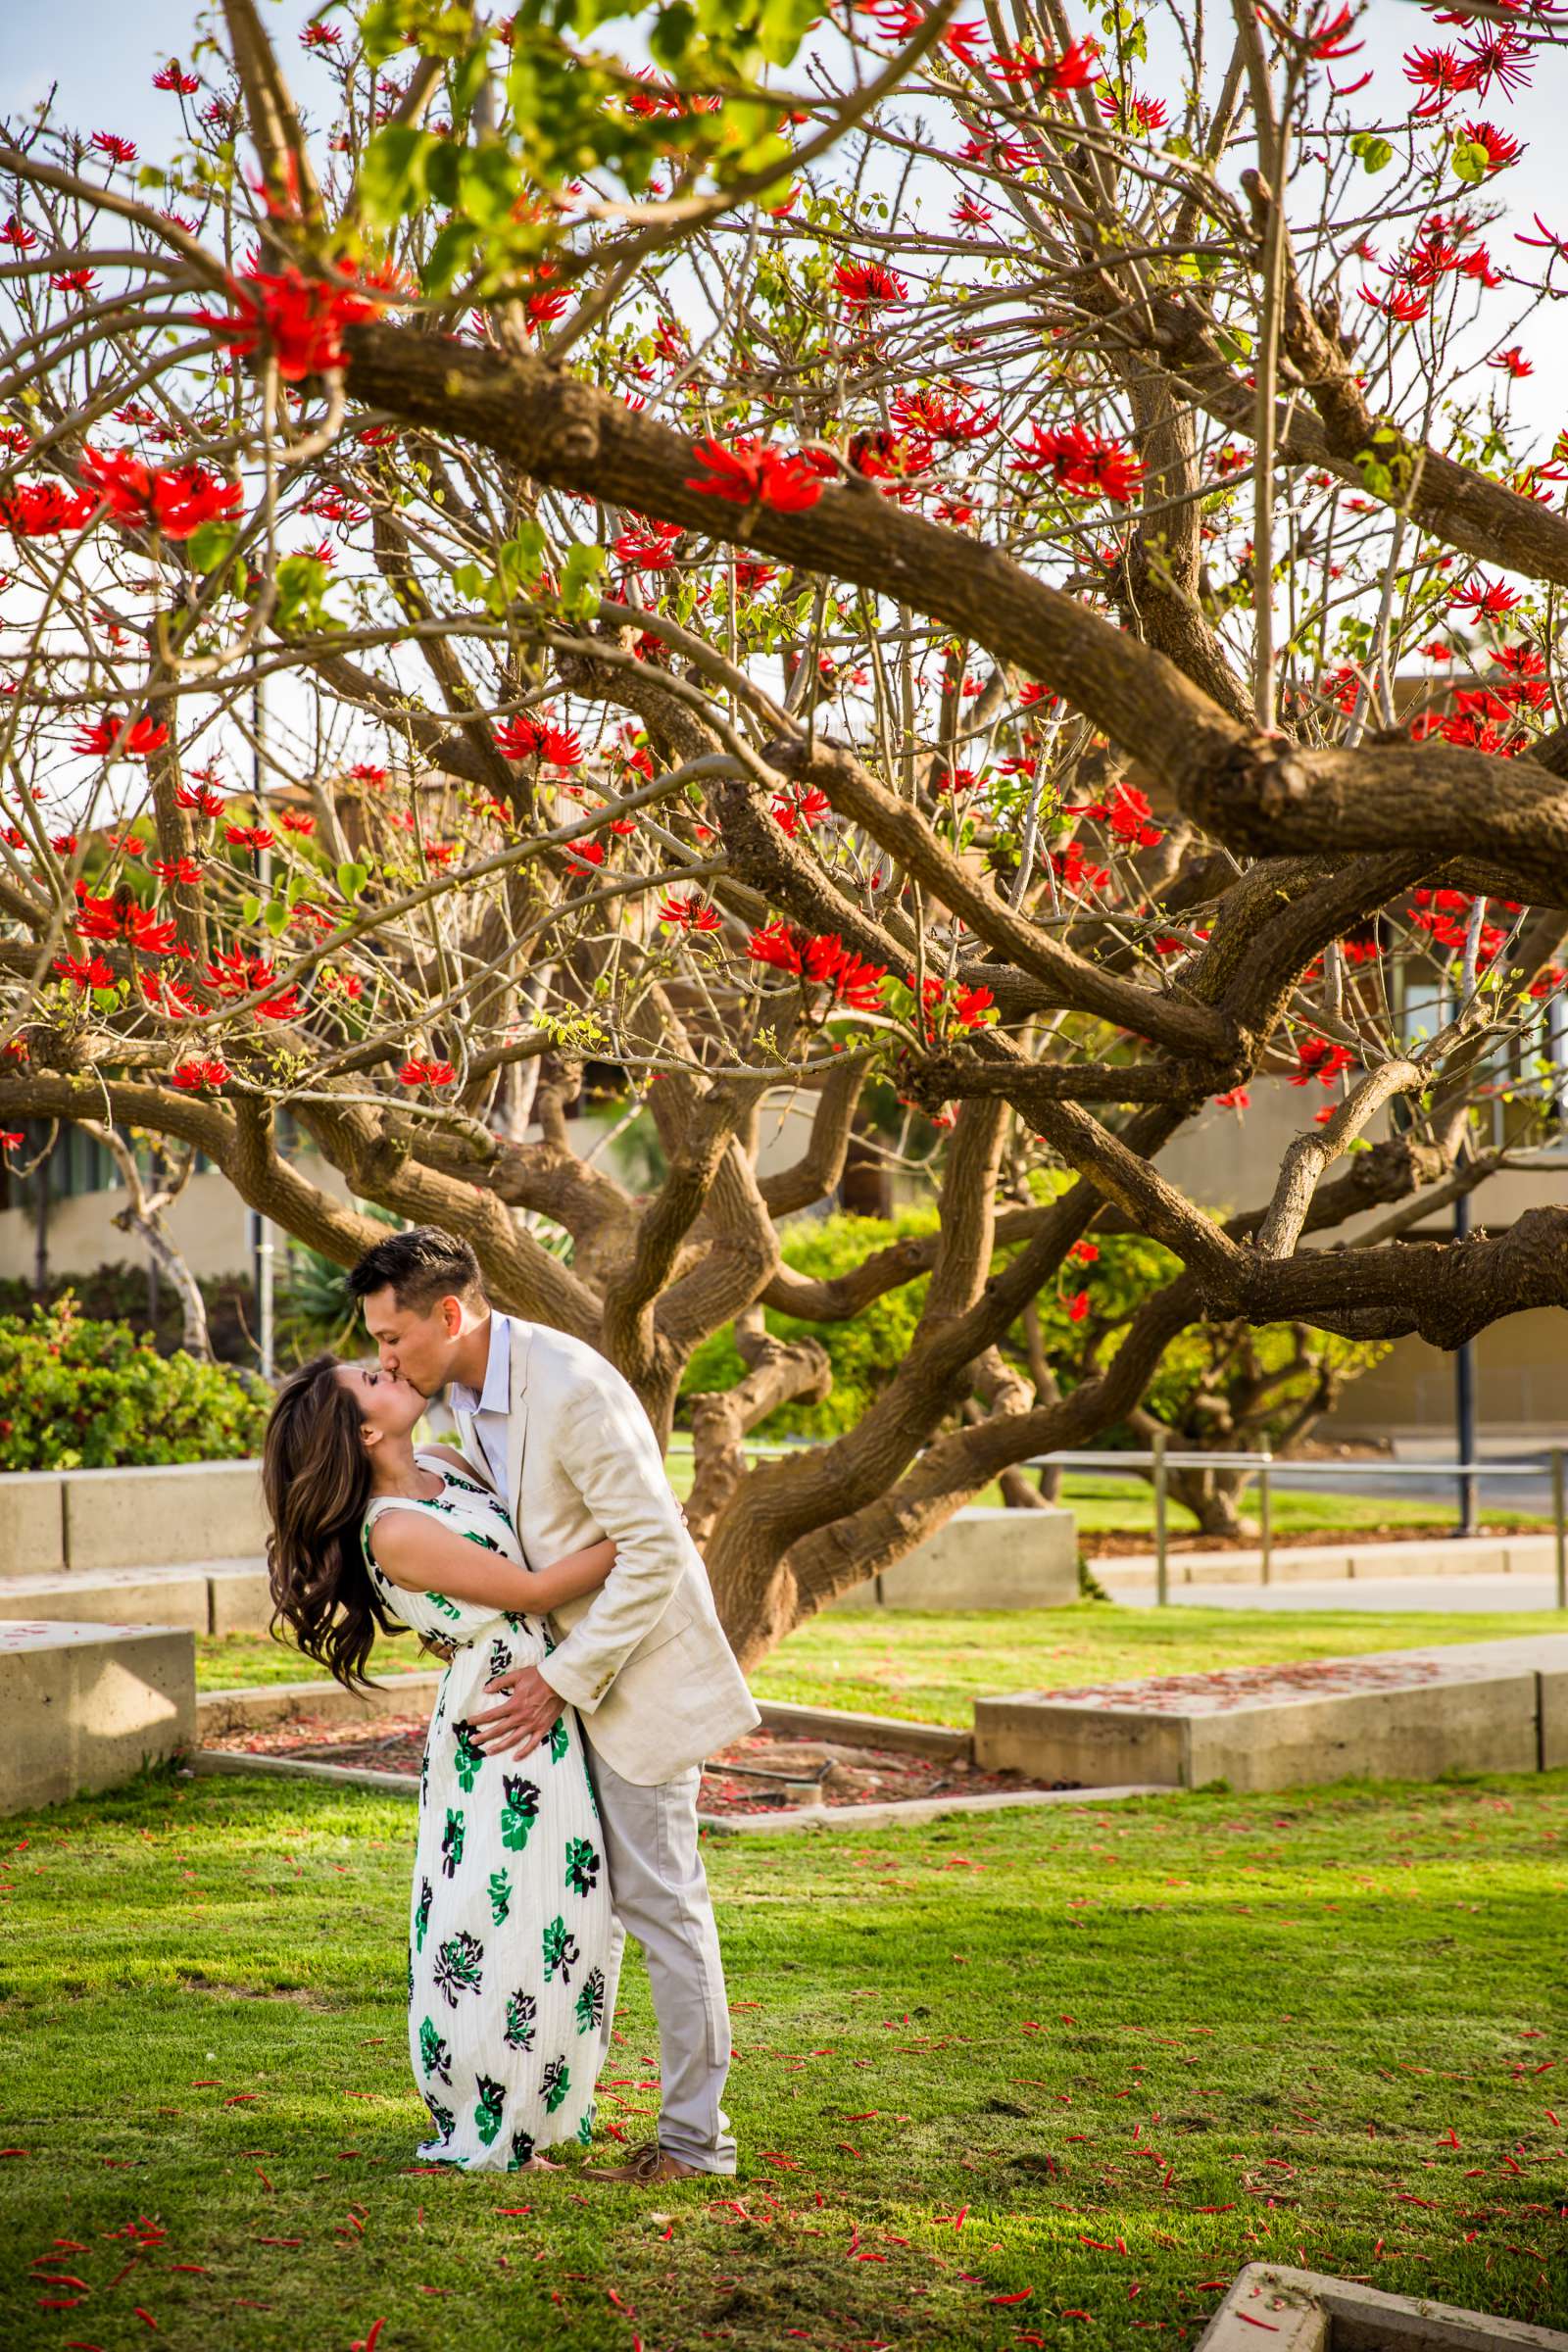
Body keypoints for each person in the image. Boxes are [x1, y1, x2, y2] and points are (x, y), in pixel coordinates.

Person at [346, 1225, 760, 2185]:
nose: (384, 1357)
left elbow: (655, 1550)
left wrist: (557, 1681)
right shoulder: (452, 1402)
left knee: (664, 1909)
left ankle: (699, 2148)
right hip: (551, 1710)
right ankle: (539, 2102)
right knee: (588, 1917)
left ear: (449, 1314)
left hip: (629, 1683)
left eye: (391, 1338)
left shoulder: (569, 1385)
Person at [262, 1352, 619, 2175]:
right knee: (504, 1915)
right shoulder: (392, 1527)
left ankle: (550, 2108)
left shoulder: (443, 1463)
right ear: (366, 1428)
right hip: (498, 1724)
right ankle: (497, 2114)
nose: (390, 1367)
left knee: (568, 1907)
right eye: (374, 1379)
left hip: (541, 1699)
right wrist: (647, 1532)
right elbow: (529, 1590)